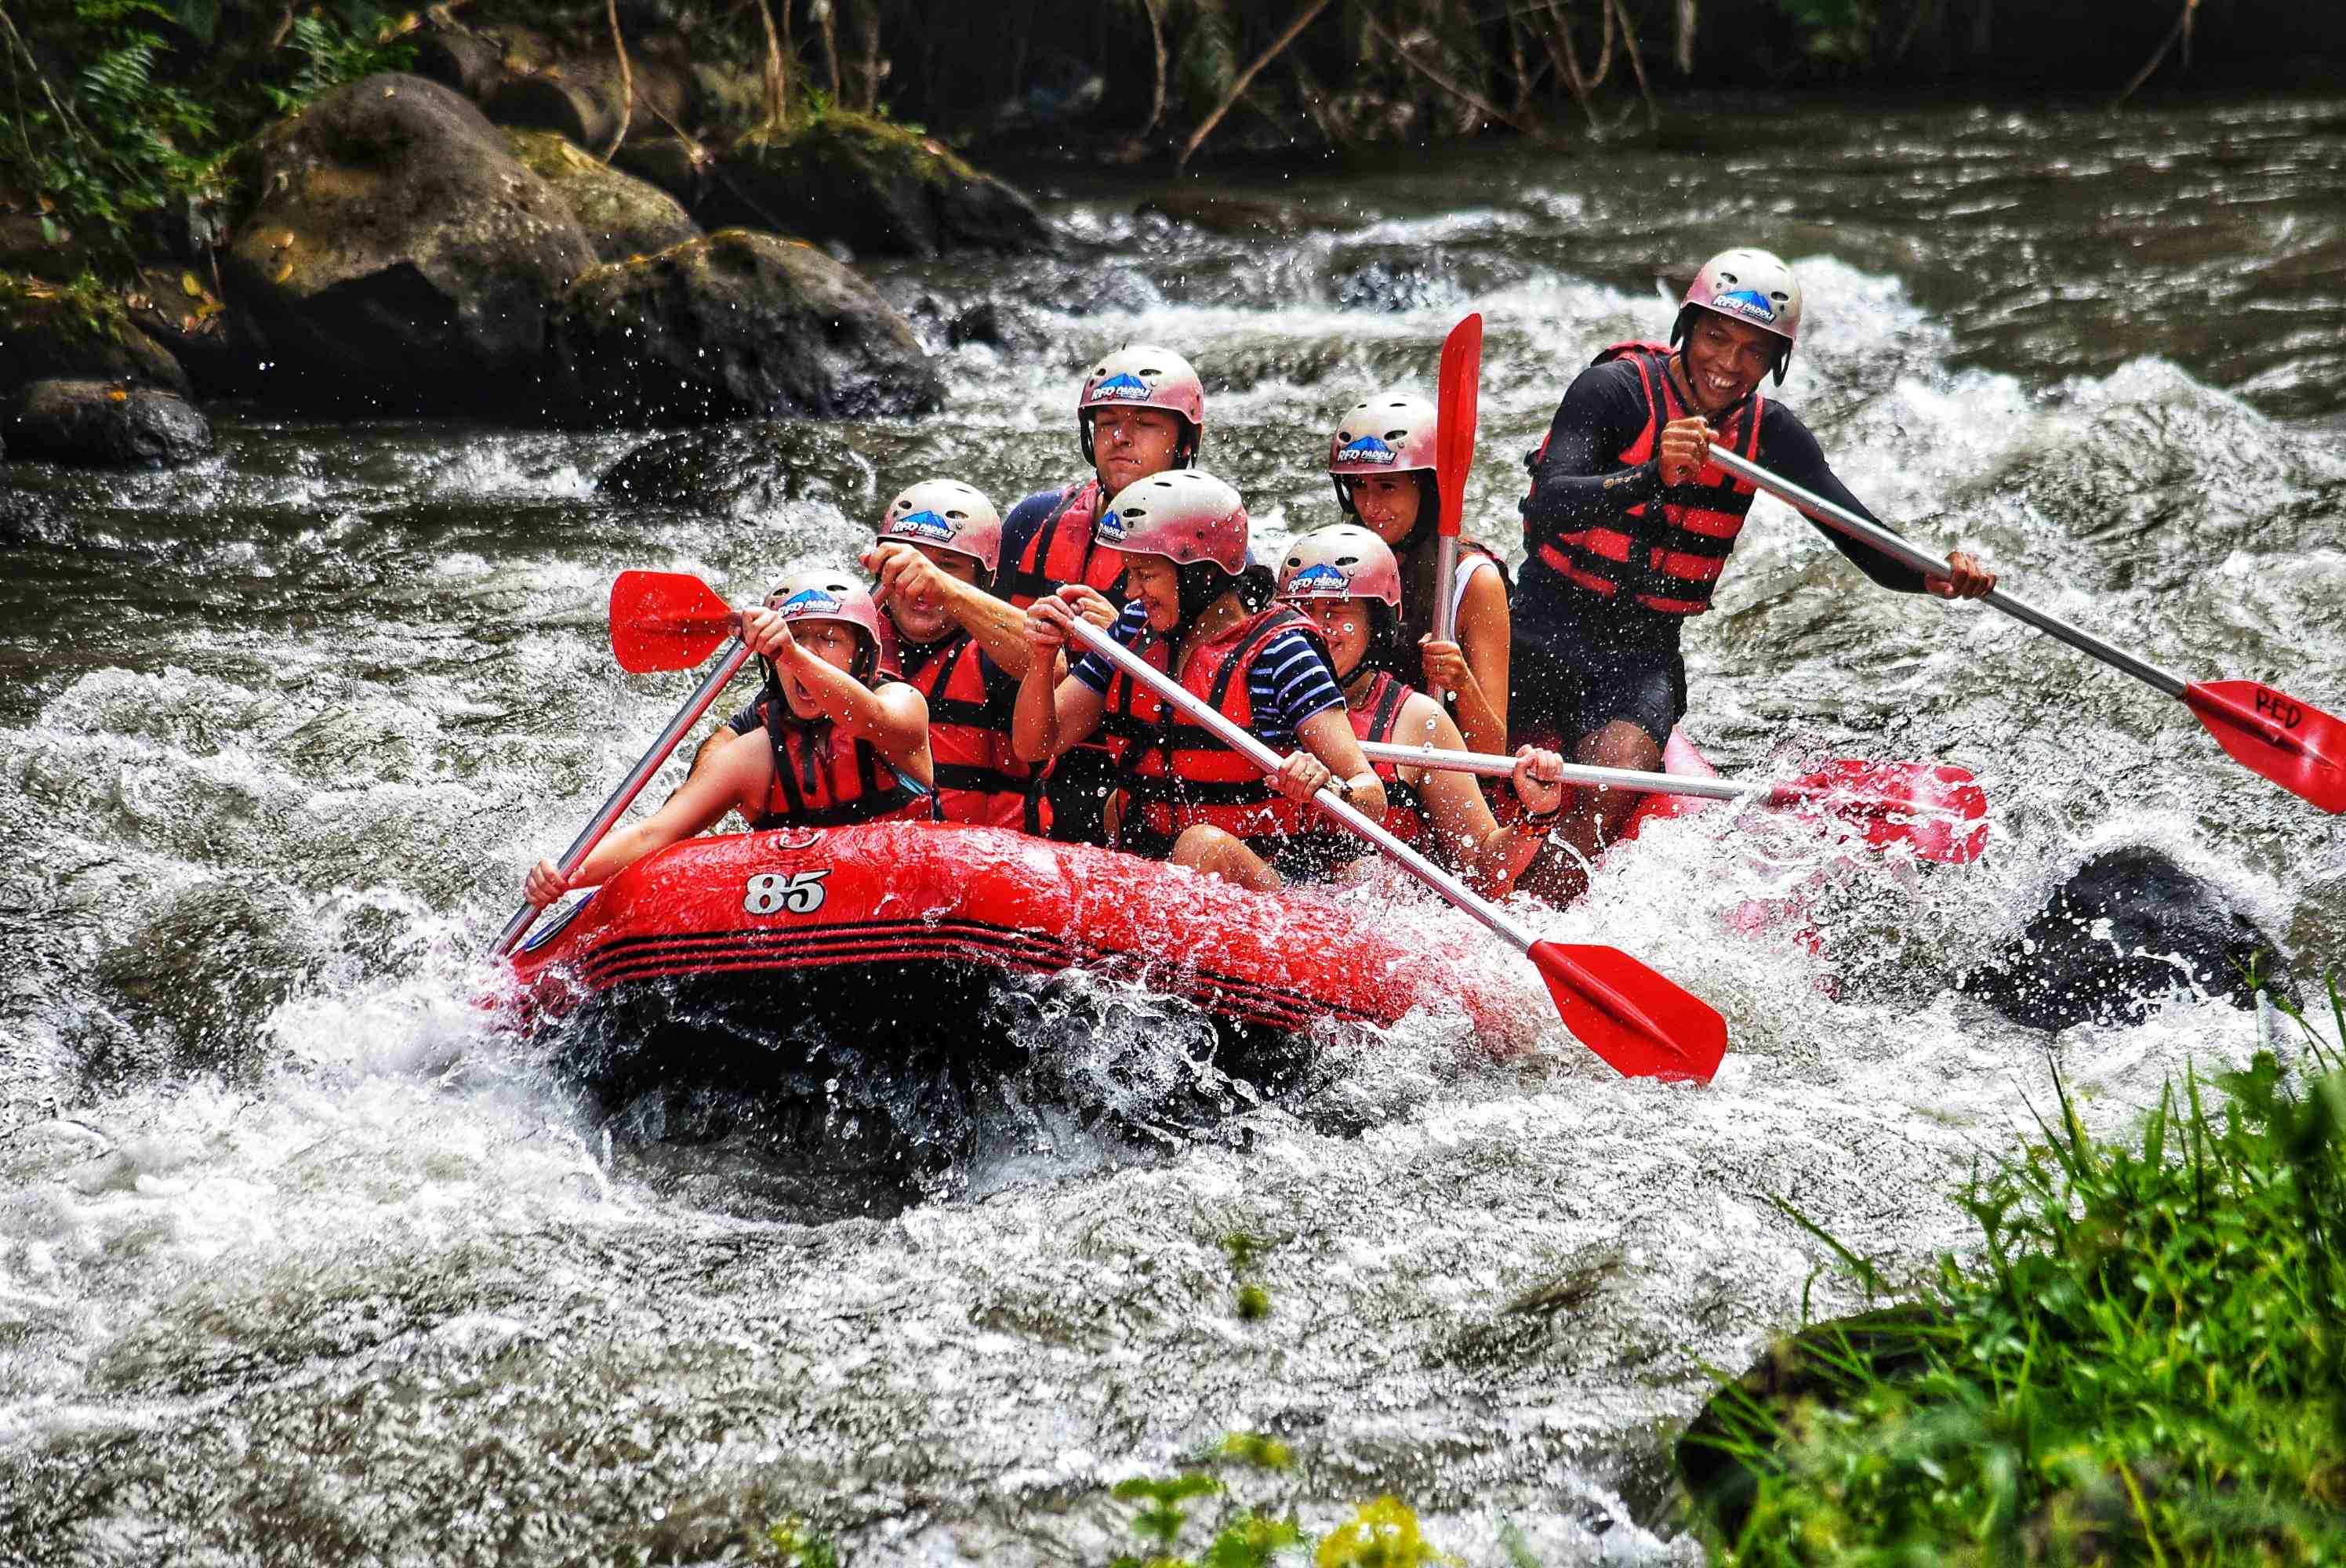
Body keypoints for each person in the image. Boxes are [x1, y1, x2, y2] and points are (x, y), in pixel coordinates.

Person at [1513, 245, 1998, 897]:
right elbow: (1549, 506)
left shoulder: (1771, 435)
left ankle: (1537, 909)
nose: (1728, 365)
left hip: (1638, 656)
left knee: (1620, 770)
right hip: (1540, 630)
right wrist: (1649, 476)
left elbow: (1863, 540)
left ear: (1776, 362)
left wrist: (1936, 574)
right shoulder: (1616, 392)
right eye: (1717, 338)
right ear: (1687, 329)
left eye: (1753, 352)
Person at [1012, 470, 1388, 893]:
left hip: (1275, 886)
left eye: (1147, 575)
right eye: (1130, 573)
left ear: (1203, 575)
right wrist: (1042, 661)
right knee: (1113, 821)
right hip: (1158, 873)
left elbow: (1370, 795)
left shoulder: (1282, 652)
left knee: (1201, 846)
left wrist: (1326, 785)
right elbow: (1035, 745)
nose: (1132, 591)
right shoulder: (1133, 632)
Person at [522, 572, 932, 909]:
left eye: (829, 639)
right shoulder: (753, 757)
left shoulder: (901, 704)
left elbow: (871, 720)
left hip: (908, 901)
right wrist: (567, 875)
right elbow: (655, 835)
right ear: (767, 659)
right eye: (795, 638)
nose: (810, 651)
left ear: (862, 656)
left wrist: (790, 652)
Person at [1273, 524, 1566, 895]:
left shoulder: (1416, 720)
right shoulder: (1256, 696)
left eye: (1336, 610)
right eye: (1303, 610)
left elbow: (1482, 870)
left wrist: (1535, 817)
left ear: (1376, 623)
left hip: (1373, 918)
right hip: (1271, 905)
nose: (1317, 626)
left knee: (1367, 874)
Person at [996, 344, 1208, 844]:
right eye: (1107, 421)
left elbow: (1226, 677)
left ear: (1183, 443)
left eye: (1147, 424)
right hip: (1030, 762)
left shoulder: (1205, 544)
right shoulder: (1034, 522)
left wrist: (1127, 638)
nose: (1120, 437)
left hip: (1129, 776)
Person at [1325, 392, 1513, 757]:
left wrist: (1460, 683)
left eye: (1388, 486)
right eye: (1359, 487)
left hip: (1437, 771)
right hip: (1363, 760)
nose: (1371, 506)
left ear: (1428, 488)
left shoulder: (1473, 581)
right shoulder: (1336, 563)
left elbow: (1492, 751)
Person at [859, 479, 1047, 833]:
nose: (920, 585)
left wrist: (946, 590)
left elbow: (1053, 668)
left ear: (980, 580)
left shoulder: (997, 651)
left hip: (986, 859)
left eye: (947, 566)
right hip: (874, 857)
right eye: (907, 564)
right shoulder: (847, 643)